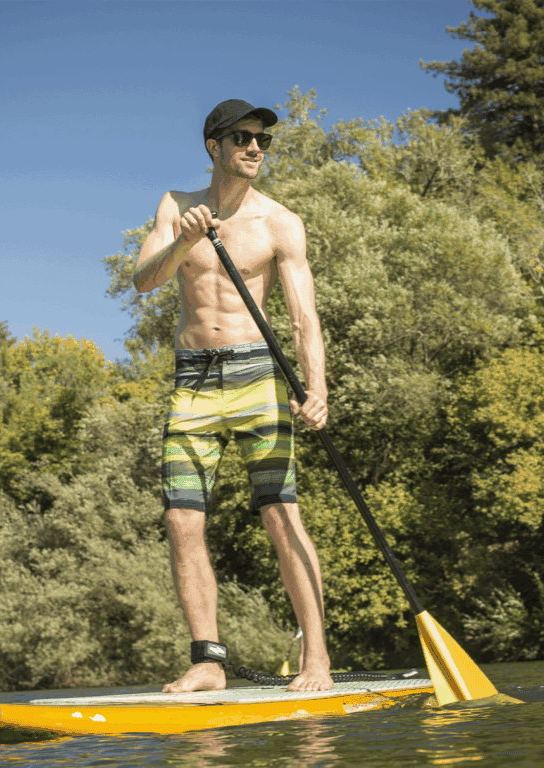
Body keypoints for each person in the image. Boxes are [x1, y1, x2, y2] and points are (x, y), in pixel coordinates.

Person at [134, 99, 333, 693]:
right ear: (213, 147)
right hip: (192, 380)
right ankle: (208, 661)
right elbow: (144, 281)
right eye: (243, 137)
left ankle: (315, 659)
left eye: (263, 140)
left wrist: (317, 388)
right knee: (180, 519)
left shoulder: (280, 223)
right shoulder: (176, 206)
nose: (255, 148)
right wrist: (181, 242)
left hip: (257, 375)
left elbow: (304, 319)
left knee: (280, 513)